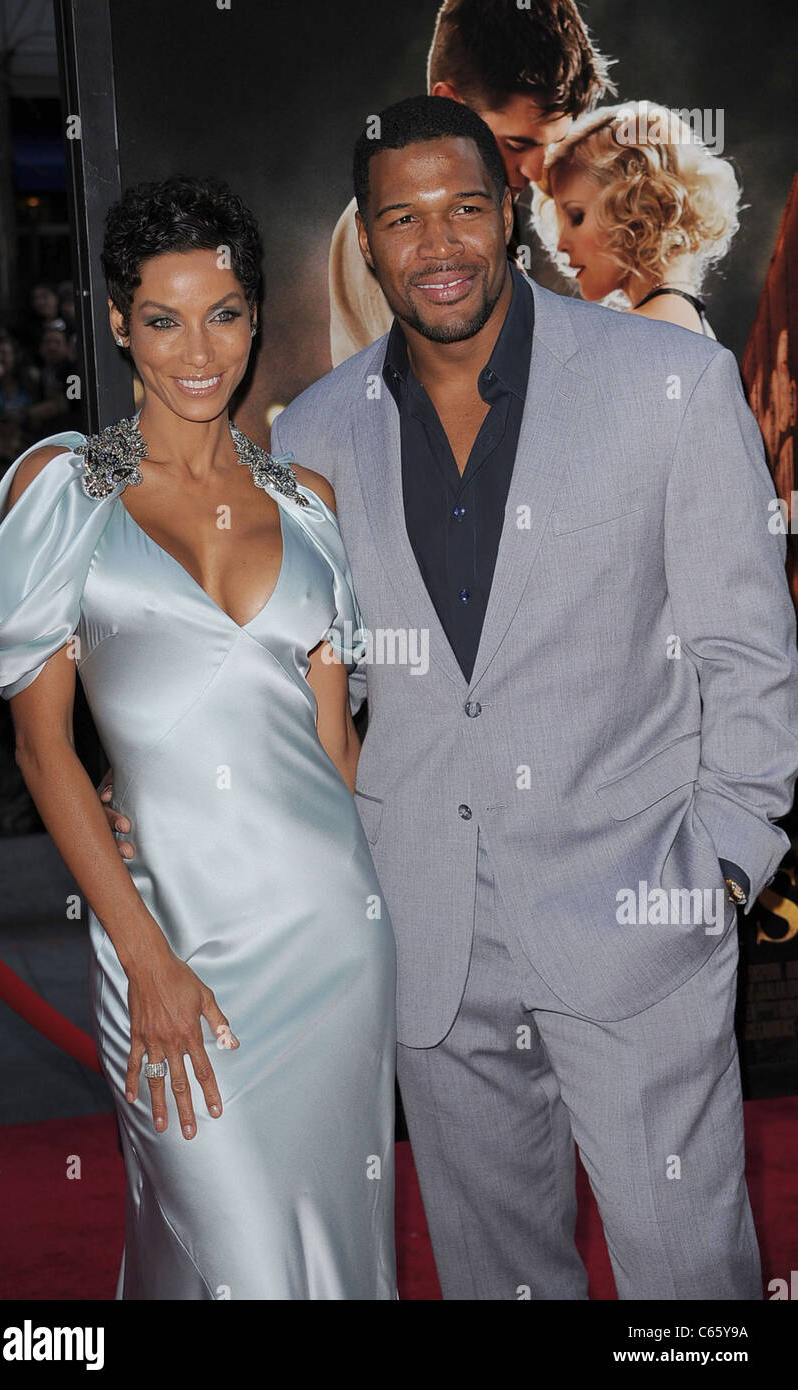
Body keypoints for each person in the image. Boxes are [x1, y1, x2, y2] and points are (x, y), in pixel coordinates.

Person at [267, 95, 795, 1299]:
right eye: (402, 218)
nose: (437, 244)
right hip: (430, 937)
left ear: (509, 212)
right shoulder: (314, 430)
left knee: (685, 1280)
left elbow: (748, 649)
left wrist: (720, 863)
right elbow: (305, 681)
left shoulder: (666, 380)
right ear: (368, 236)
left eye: (462, 207)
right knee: (495, 1275)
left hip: (639, 911)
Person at [0, 175, 397, 1300]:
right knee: (227, 1253)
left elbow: (332, 757)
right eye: (162, 317)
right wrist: (146, 957)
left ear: (255, 315)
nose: (198, 350)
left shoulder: (307, 503)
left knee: (331, 1255)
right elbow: (44, 750)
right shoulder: (66, 492)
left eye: (225, 313)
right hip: (170, 941)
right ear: (116, 321)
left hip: (329, 945)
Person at [328, 0, 613, 365]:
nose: (538, 172)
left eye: (552, 145)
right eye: (517, 144)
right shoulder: (396, 232)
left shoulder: (486, 210)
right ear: (449, 105)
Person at [531, 102, 742, 337]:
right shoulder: (685, 319)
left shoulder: (633, 333)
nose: (561, 244)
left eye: (577, 217)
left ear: (639, 212)